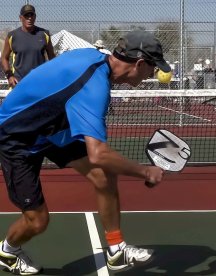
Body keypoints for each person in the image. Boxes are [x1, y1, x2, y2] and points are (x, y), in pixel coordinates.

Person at [0, 30, 170, 275]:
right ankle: (8, 250)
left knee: (103, 174)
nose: (152, 74)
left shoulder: (95, 58)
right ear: (139, 63)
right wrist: (146, 171)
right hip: (17, 137)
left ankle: (116, 249)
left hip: (51, 128)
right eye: (152, 67)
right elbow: (98, 153)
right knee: (37, 221)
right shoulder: (96, 85)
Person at [1, 4, 55, 89]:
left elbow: (52, 58)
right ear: (20, 18)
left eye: (31, 15)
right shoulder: (12, 36)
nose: (29, 18)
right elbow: (4, 58)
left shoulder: (44, 34)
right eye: (26, 15)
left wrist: (52, 75)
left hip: (40, 83)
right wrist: (10, 76)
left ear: (35, 17)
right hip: (18, 83)